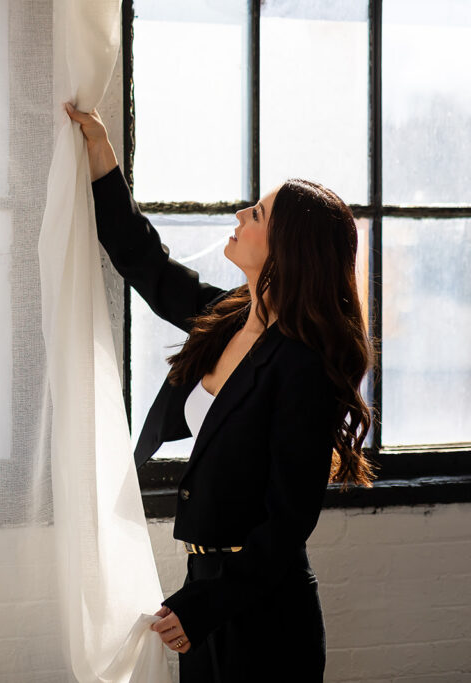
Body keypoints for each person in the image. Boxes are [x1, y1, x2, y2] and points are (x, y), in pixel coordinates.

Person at [63, 102, 377, 682]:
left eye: (256, 213)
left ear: (286, 247)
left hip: (263, 613)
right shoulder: (228, 317)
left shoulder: (302, 365)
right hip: (203, 589)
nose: (240, 213)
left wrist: (205, 606)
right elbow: (148, 265)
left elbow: (288, 521)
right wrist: (102, 158)